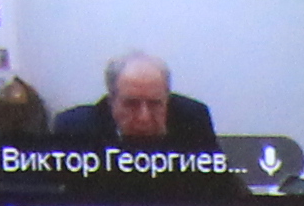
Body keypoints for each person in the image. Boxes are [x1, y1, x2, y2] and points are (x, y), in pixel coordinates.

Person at [48, 51, 215, 144]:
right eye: (131, 104)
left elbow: (217, 187)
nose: (144, 117)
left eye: (155, 104)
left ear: (167, 98)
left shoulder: (192, 120)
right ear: (111, 101)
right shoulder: (75, 128)